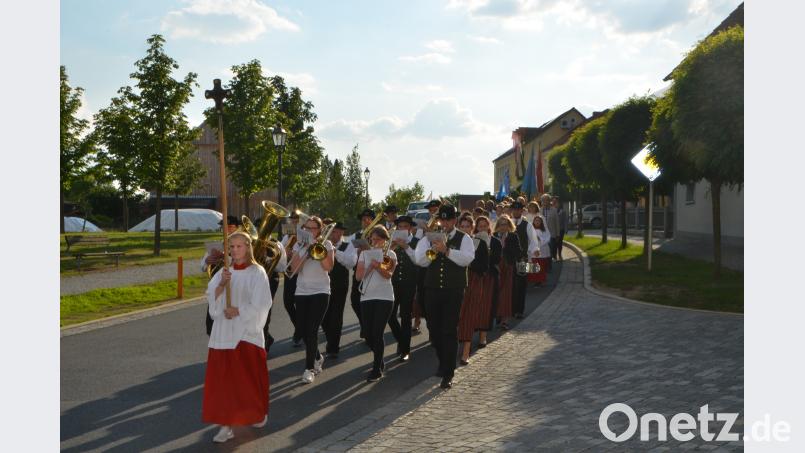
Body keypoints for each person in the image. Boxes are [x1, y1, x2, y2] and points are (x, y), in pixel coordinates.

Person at [202, 231, 272, 443]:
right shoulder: (224, 272)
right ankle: (226, 425)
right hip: (223, 333)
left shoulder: (257, 272)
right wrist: (222, 284)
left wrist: (239, 310)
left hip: (245, 333)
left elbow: (262, 303)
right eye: (231, 247)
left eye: (239, 246)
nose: (234, 250)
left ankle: (257, 412)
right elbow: (211, 298)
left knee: (247, 380)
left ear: (248, 247)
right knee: (223, 382)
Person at [414, 204, 475, 389]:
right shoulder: (428, 237)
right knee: (433, 329)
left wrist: (447, 251)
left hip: (453, 290)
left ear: (454, 220)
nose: (445, 223)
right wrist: (432, 252)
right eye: (443, 219)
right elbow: (419, 260)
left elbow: (467, 258)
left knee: (449, 330)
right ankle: (443, 361)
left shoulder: (464, 238)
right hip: (432, 288)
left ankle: (448, 372)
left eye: (449, 220)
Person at [289, 216, 335, 384]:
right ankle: (317, 356)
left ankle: (309, 369)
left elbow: (328, 267)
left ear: (319, 230)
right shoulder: (297, 245)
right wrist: (305, 253)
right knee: (302, 328)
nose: (309, 231)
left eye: (312, 228)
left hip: (321, 291)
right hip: (302, 291)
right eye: (306, 228)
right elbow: (294, 270)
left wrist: (318, 250)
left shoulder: (327, 245)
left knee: (312, 329)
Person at [355, 225, 398, 382]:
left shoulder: (391, 254)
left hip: (385, 297)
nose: (374, 242)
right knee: (367, 333)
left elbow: (388, 275)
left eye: (377, 239)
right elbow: (358, 277)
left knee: (377, 332)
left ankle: (376, 369)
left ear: (384, 240)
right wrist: (368, 266)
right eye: (372, 239)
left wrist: (378, 265)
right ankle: (379, 360)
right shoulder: (365, 254)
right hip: (367, 296)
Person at [456, 215, 489, 366]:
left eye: (467, 226)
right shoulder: (454, 242)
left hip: (474, 281)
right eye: (461, 226)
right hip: (457, 282)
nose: (464, 229)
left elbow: (484, 267)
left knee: (469, 315)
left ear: (472, 228)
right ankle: (455, 347)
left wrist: (468, 261)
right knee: (457, 316)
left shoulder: (479, 243)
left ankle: (466, 352)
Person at [200, 216, 241, 336]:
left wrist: (224, 257)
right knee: (211, 325)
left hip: (235, 288)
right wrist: (207, 261)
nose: (225, 229)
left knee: (233, 325)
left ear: (236, 228)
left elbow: (243, 262)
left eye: (229, 227)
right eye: (223, 227)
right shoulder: (218, 244)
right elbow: (202, 266)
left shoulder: (243, 244)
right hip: (218, 288)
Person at [321, 221, 355, 358]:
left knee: (336, 314)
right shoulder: (324, 244)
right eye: (331, 231)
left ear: (341, 232)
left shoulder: (348, 245)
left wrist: (335, 252)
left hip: (340, 283)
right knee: (324, 316)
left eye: (334, 232)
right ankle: (331, 339)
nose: (331, 234)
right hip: (324, 283)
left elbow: (350, 262)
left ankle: (333, 347)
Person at [388, 215, 419, 361]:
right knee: (390, 315)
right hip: (393, 282)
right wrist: (391, 247)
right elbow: (384, 261)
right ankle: (402, 340)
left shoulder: (416, 241)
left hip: (409, 283)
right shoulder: (391, 242)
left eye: (405, 226)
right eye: (399, 227)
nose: (402, 229)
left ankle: (405, 350)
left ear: (410, 228)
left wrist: (406, 246)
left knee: (406, 317)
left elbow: (418, 260)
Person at [347, 209, 377, 338]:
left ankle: (370, 326)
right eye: (363, 219)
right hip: (359, 271)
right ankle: (364, 324)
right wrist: (357, 253)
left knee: (372, 302)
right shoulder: (355, 236)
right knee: (355, 300)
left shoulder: (378, 234)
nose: (365, 221)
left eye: (368, 219)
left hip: (375, 272)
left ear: (373, 220)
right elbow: (350, 253)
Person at [474, 216, 500, 348]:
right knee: (476, 306)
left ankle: (483, 336)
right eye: (480, 226)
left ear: (489, 227)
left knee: (486, 306)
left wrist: (487, 250)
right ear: (477, 228)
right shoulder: (473, 241)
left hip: (489, 276)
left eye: (485, 226)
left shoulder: (495, 241)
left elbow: (496, 260)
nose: (482, 228)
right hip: (476, 276)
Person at [494, 215, 521, 330]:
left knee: (506, 293)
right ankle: (498, 314)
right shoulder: (494, 236)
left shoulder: (513, 236)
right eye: (501, 224)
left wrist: (505, 245)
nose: (503, 227)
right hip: (496, 267)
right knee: (496, 292)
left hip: (508, 266)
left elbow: (518, 252)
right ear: (498, 226)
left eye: (505, 224)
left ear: (509, 225)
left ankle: (505, 320)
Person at [281, 211, 302, 346]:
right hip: (289, 272)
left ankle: (299, 332)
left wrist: (294, 252)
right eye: (292, 218)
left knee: (300, 304)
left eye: (296, 218)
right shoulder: (287, 234)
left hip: (300, 271)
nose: (293, 220)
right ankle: (300, 328)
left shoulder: (304, 233)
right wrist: (285, 252)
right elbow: (281, 248)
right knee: (288, 303)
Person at [509, 201, 529, 319]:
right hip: (509, 259)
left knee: (521, 285)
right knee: (510, 285)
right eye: (514, 209)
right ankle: (510, 309)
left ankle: (519, 310)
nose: (516, 211)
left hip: (523, 259)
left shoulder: (527, 225)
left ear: (522, 211)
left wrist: (533, 251)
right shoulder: (507, 223)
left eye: (518, 209)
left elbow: (533, 241)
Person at [527, 215, 551, 286]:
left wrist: (540, 239)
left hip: (542, 250)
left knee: (540, 266)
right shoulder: (530, 229)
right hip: (532, 250)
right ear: (533, 221)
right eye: (536, 220)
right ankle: (532, 279)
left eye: (539, 221)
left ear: (541, 222)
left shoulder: (544, 230)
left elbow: (548, 238)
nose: (537, 222)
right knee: (532, 265)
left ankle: (539, 280)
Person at [539, 193, 561, 264]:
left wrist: (558, 234)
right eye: (543, 200)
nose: (544, 202)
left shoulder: (554, 210)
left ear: (549, 201)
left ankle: (549, 264)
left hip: (551, 234)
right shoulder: (539, 210)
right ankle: (545, 263)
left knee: (550, 250)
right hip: (542, 234)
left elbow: (557, 223)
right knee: (543, 250)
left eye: (546, 200)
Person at [553, 196, 568, 261]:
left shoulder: (563, 211)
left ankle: (559, 254)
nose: (554, 203)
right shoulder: (552, 210)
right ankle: (554, 255)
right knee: (554, 243)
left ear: (559, 203)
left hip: (561, 229)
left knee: (559, 243)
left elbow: (565, 221)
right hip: (553, 230)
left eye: (556, 202)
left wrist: (566, 229)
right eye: (553, 202)